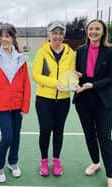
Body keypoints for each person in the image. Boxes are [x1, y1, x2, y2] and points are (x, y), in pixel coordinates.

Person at [73, 19, 112, 187]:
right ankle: (95, 163)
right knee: (89, 134)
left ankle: (111, 176)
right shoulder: (81, 51)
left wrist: (93, 85)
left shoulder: (111, 50)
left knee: (105, 138)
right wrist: (74, 80)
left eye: (97, 29)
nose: (93, 31)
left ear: (103, 31)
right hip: (83, 99)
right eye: (91, 29)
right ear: (87, 31)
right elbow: (79, 74)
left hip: (103, 99)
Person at [0, 23, 31, 183]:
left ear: (13, 38)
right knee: (7, 137)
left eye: (7, 36)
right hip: (2, 105)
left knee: (16, 137)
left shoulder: (21, 58)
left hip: (18, 105)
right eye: (2, 36)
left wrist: (25, 106)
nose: (4, 39)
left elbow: (26, 83)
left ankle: (13, 163)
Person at [32, 21, 76, 177]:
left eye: (60, 33)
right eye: (54, 33)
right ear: (49, 35)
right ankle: (44, 161)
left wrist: (73, 80)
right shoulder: (41, 52)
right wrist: (55, 83)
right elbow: (36, 75)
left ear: (63, 35)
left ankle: (56, 160)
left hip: (63, 100)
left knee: (59, 131)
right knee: (45, 131)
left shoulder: (70, 53)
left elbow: (72, 73)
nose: (57, 36)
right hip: (44, 99)